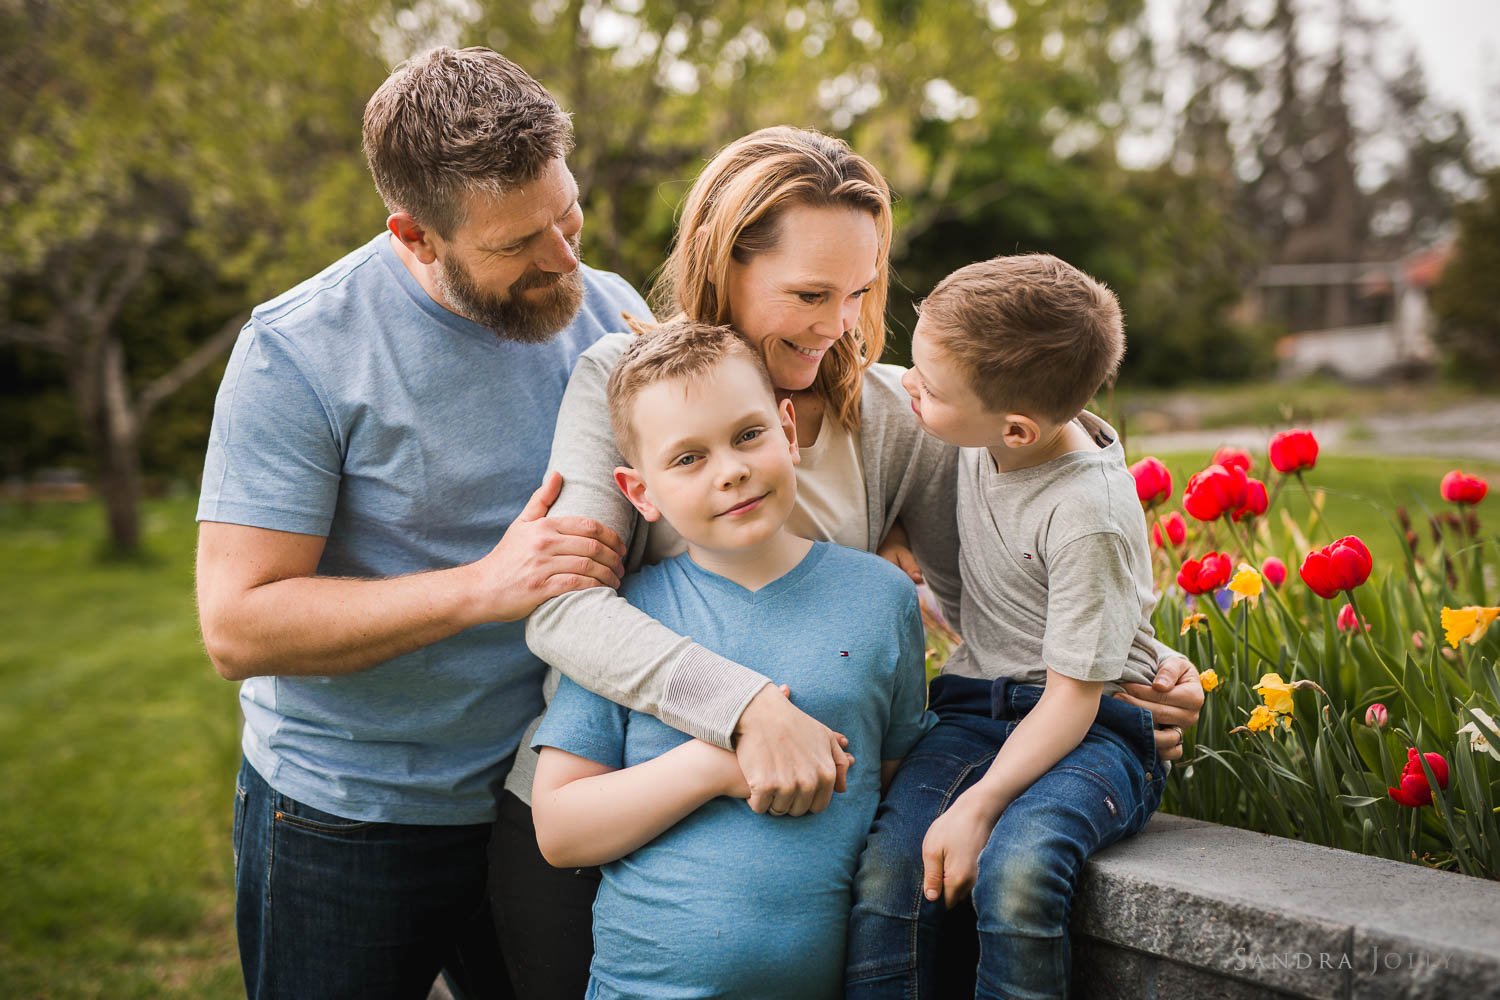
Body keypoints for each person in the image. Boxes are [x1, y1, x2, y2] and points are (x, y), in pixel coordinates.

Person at [498, 127, 1206, 993]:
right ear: (726, 268)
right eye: (809, 293)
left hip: (807, 866)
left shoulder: (896, 413)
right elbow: (565, 605)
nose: (838, 327)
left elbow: (1014, 555)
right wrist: (743, 710)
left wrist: (1144, 661)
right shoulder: (627, 382)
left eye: (859, 293)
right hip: (619, 846)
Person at [193, 46, 766, 999]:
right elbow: (236, 625)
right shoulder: (295, 356)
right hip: (352, 819)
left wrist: (973, 422)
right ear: (414, 235)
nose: (564, 257)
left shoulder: (609, 312)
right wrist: (481, 589)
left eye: (567, 213)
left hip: (544, 803)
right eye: (517, 246)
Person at [530, 319, 935, 998]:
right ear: (640, 493)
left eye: (748, 435)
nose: (732, 470)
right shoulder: (626, 621)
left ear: (786, 428)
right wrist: (715, 765)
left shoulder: (880, 599)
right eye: (688, 458)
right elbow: (561, 830)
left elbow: (894, 794)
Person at [844, 254, 1169, 999]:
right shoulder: (986, 428)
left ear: (1016, 429)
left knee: (1018, 871)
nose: (907, 386)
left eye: (926, 385)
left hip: (1090, 729)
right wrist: (893, 526)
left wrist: (980, 804)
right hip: (973, 710)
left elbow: (1073, 700)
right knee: (893, 866)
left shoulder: (1088, 516)